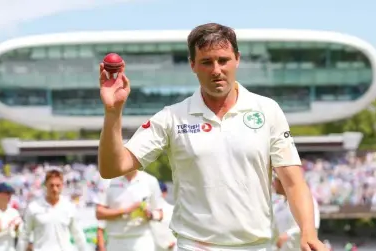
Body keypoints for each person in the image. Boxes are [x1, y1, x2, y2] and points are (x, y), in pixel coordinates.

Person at [97, 22, 326, 251]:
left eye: (223, 60)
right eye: (207, 62)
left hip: (256, 246)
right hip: (194, 246)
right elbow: (112, 168)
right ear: (193, 65)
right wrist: (113, 112)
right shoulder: (172, 117)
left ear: (237, 59)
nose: (216, 70)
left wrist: (308, 231)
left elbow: (294, 183)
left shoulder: (268, 110)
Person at [16, 169, 88, 251]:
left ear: (62, 186)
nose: (55, 189)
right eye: (51, 185)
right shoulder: (33, 208)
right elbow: (24, 236)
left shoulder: (69, 207)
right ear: (45, 185)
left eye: (58, 185)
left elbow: (78, 235)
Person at [95, 170, 163, 251]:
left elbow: (160, 214)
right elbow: (99, 213)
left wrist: (150, 215)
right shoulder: (107, 179)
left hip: (142, 240)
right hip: (115, 240)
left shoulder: (150, 180)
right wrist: (126, 210)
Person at [272, 174, 320, 251]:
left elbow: (313, 225)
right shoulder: (277, 205)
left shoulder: (307, 201)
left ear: (284, 182)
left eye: (276, 180)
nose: (273, 183)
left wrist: (288, 234)